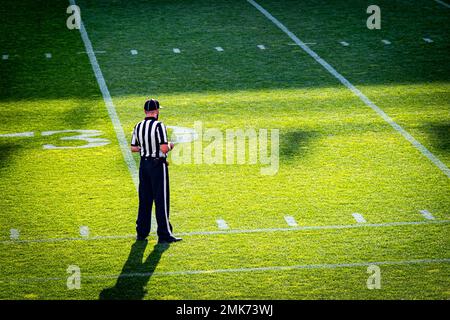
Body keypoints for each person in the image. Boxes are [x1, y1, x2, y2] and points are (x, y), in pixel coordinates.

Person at [130, 99, 182, 243]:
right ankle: (164, 234)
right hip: (157, 166)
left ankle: (142, 232)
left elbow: (133, 148)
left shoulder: (138, 126)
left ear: (145, 111)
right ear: (157, 111)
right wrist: (171, 145)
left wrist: (145, 149)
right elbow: (164, 148)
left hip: (144, 166)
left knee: (144, 199)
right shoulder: (159, 126)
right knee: (161, 200)